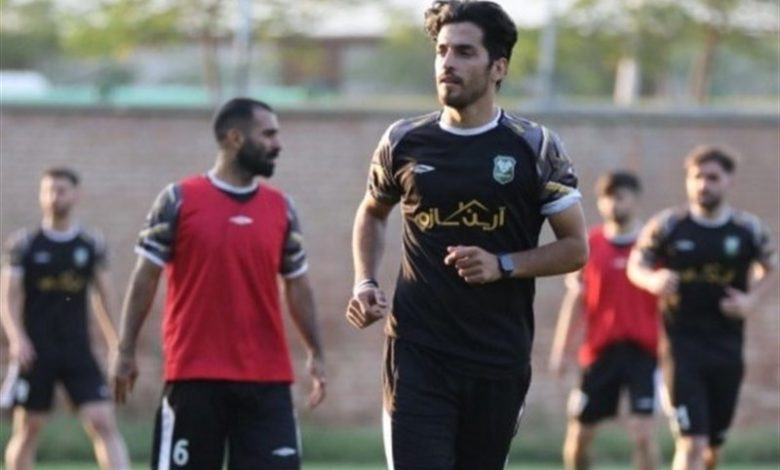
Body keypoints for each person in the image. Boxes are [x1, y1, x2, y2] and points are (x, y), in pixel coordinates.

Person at [344, 2, 588, 469]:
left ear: (499, 67)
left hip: (498, 357)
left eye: (464, 52)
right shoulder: (403, 141)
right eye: (441, 51)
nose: (447, 62)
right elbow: (372, 213)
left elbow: (576, 248)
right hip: (418, 352)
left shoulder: (535, 147)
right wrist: (365, 282)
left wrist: (503, 265)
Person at [110, 97, 326, 470]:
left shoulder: (282, 209)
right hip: (194, 377)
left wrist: (316, 352)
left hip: (267, 380)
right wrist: (125, 349)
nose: (278, 144)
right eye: (268, 134)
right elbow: (146, 276)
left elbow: (298, 285)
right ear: (235, 138)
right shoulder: (178, 200)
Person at [627, 146, 778, 470]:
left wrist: (752, 299)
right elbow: (636, 265)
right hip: (681, 349)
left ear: (728, 181)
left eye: (712, 178)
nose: (703, 185)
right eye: (697, 177)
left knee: (711, 447)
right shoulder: (668, 225)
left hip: (726, 349)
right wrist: (652, 280)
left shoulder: (747, 229)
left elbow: (773, 267)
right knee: (692, 442)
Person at [1, 167, 130, 470]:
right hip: (36, 351)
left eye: (60, 190)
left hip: (77, 349)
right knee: (29, 427)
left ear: (75, 195)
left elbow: (104, 297)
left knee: (102, 421)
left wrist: (115, 343)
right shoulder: (25, 244)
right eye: (48, 191)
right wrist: (17, 339)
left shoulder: (90, 245)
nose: (54, 197)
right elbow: (8, 298)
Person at [549, 170, 659, 470]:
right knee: (580, 434)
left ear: (635, 200)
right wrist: (561, 352)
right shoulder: (590, 245)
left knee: (643, 434)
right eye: (606, 198)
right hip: (599, 354)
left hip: (643, 354)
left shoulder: (653, 247)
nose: (613, 204)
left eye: (620, 197)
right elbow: (576, 301)